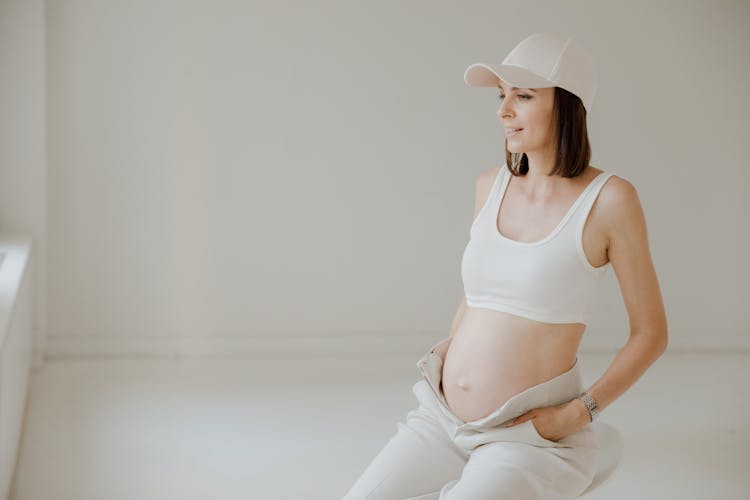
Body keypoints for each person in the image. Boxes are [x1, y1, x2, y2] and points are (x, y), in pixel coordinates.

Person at [342, 32, 668, 500]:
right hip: (440, 419)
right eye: (501, 96)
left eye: (524, 95)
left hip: (529, 439)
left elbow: (651, 333)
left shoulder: (611, 200)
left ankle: (566, 458)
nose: (503, 110)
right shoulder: (489, 185)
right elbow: (477, 296)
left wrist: (575, 414)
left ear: (568, 106)